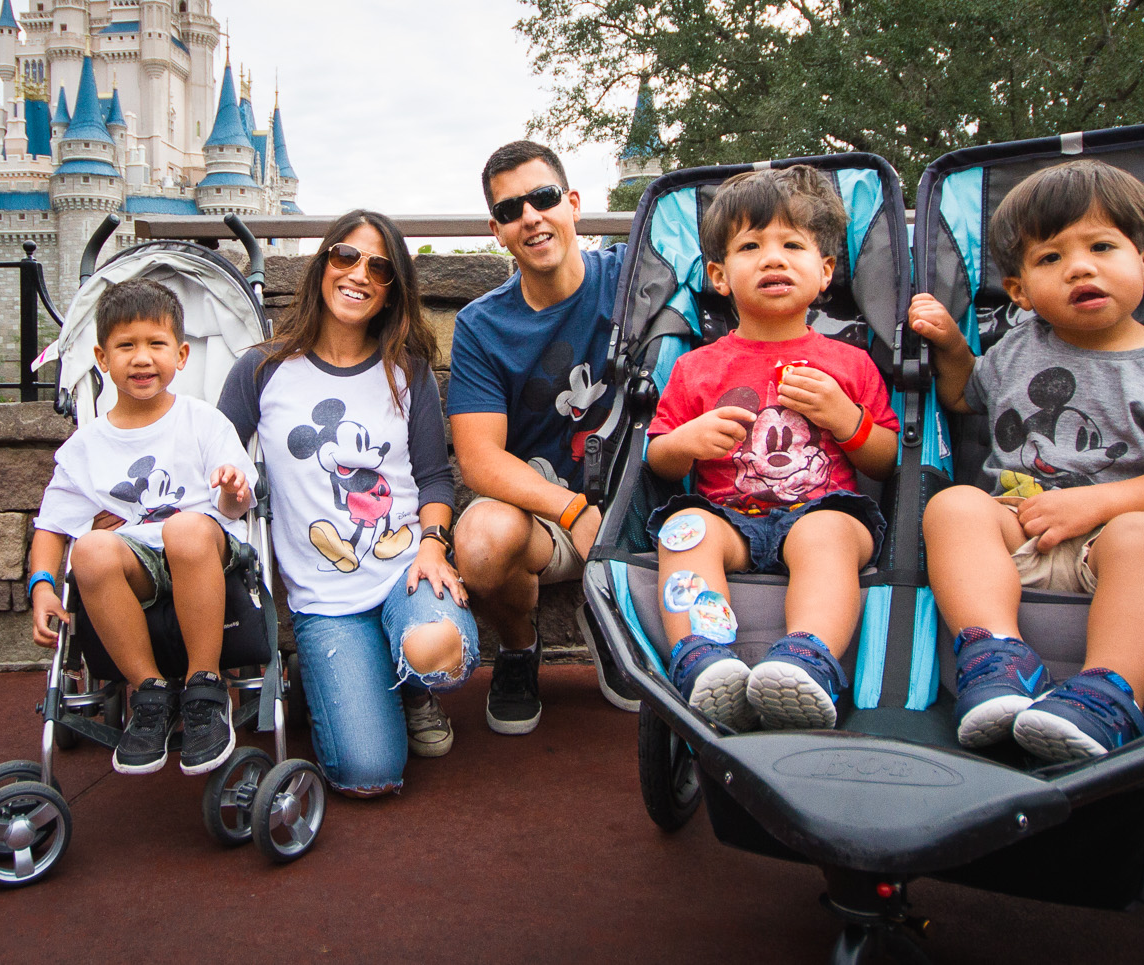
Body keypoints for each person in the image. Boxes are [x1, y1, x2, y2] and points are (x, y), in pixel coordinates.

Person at [907, 158, 1144, 761]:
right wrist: (954, 345)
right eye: (1050, 258)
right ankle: (996, 657)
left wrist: (1098, 504)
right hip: (1025, 531)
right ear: (1021, 292)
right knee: (955, 505)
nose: (1079, 266)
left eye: (1102, 246)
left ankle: (1107, 695)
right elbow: (963, 395)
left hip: (1131, 538)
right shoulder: (1016, 350)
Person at [218, 210, 477, 796]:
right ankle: (346, 679)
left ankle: (411, 684)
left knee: (437, 649)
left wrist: (434, 548)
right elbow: (208, 466)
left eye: (379, 267)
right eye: (346, 255)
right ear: (323, 264)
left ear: (392, 291)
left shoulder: (406, 372)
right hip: (324, 601)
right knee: (370, 775)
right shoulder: (261, 370)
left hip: (404, 572)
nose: (359, 272)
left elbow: (435, 479)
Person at [646, 166, 897, 731]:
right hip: (730, 519)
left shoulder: (849, 363)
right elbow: (658, 458)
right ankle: (703, 658)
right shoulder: (695, 367)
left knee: (824, 532)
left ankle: (806, 658)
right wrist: (685, 442)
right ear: (719, 275)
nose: (773, 258)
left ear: (826, 271)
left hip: (828, 511)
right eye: (751, 245)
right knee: (683, 528)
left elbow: (886, 461)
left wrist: (846, 419)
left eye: (793, 244)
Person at [27, 278, 258, 777]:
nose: (141, 358)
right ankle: (150, 691)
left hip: (205, 549)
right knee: (88, 549)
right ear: (101, 357)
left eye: (155, 344)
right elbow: (51, 527)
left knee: (186, 530)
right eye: (126, 346)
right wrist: (43, 585)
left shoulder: (204, 422)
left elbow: (237, 507)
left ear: (181, 355)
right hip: (138, 565)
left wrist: (232, 487)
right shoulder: (86, 447)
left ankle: (204, 683)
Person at [448, 140, 638, 735]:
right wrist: (574, 508)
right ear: (497, 231)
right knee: (479, 542)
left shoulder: (637, 277)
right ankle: (517, 649)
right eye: (510, 211)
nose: (530, 216)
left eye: (544, 197)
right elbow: (479, 460)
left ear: (573, 204)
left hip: (641, 497)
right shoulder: (481, 325)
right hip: (551, 514)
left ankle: (612, 623)